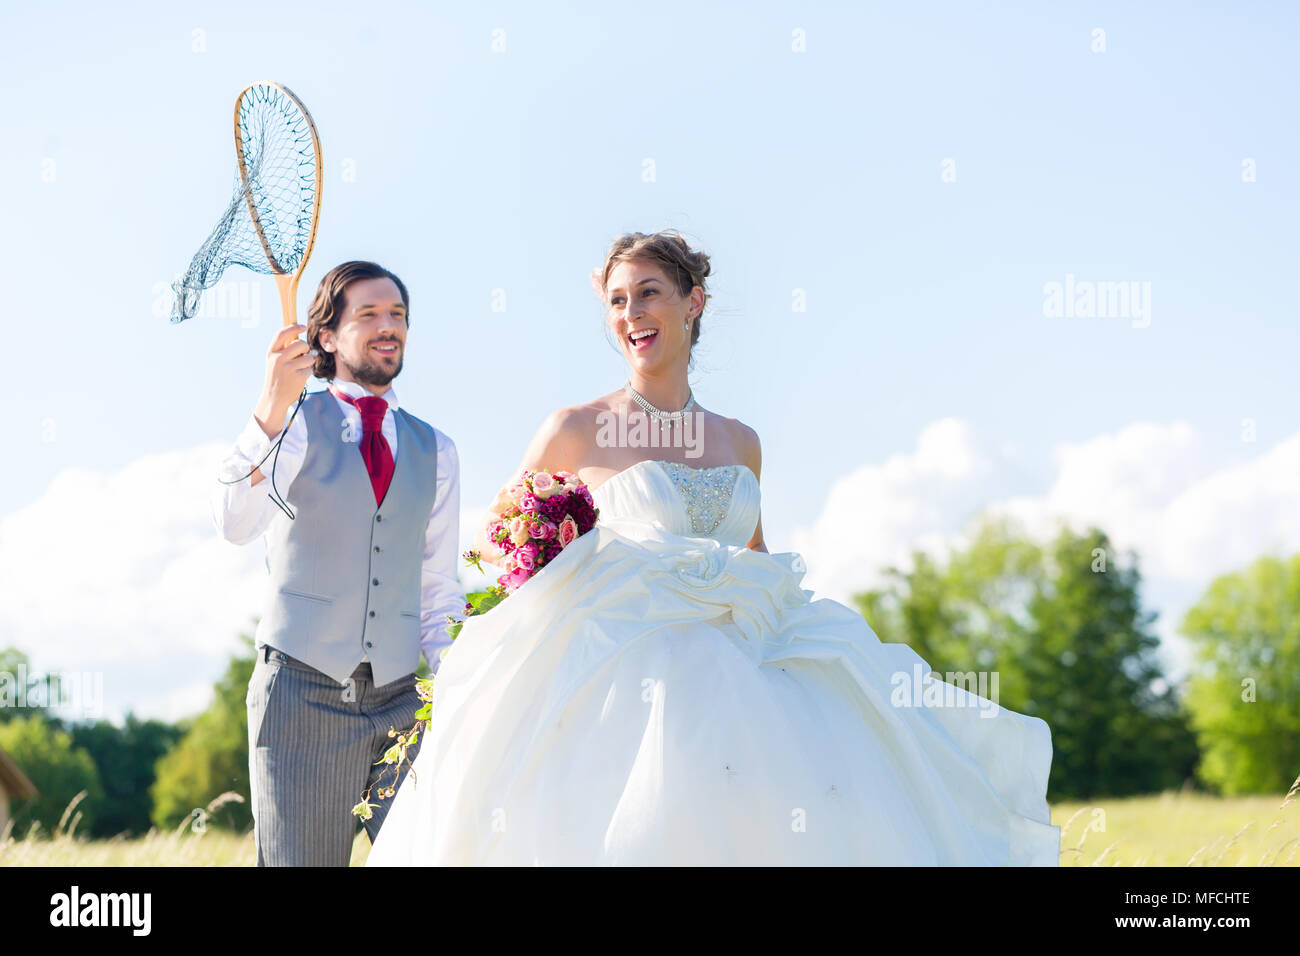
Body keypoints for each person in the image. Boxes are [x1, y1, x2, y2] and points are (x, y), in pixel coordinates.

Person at [365, 232, 1059, 865]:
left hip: (751, 668)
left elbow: (754, 556)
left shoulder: (739, 440)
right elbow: (499, 543)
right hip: (623, 676)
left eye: (648, 293)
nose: (630, 313)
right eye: (616, 300)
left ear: (693, 303)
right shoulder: (577, 428)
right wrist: (559, 543)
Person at [212, 260, 461, 866]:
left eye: (397, 315)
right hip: (303, 694)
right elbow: (234, 522)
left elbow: (436, 587)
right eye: (369, 314)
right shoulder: (293, 424)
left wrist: (456, 685)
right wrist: (270, 406)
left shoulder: (438, 450)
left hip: (407, 701)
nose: (388, 327)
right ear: (328, 336)